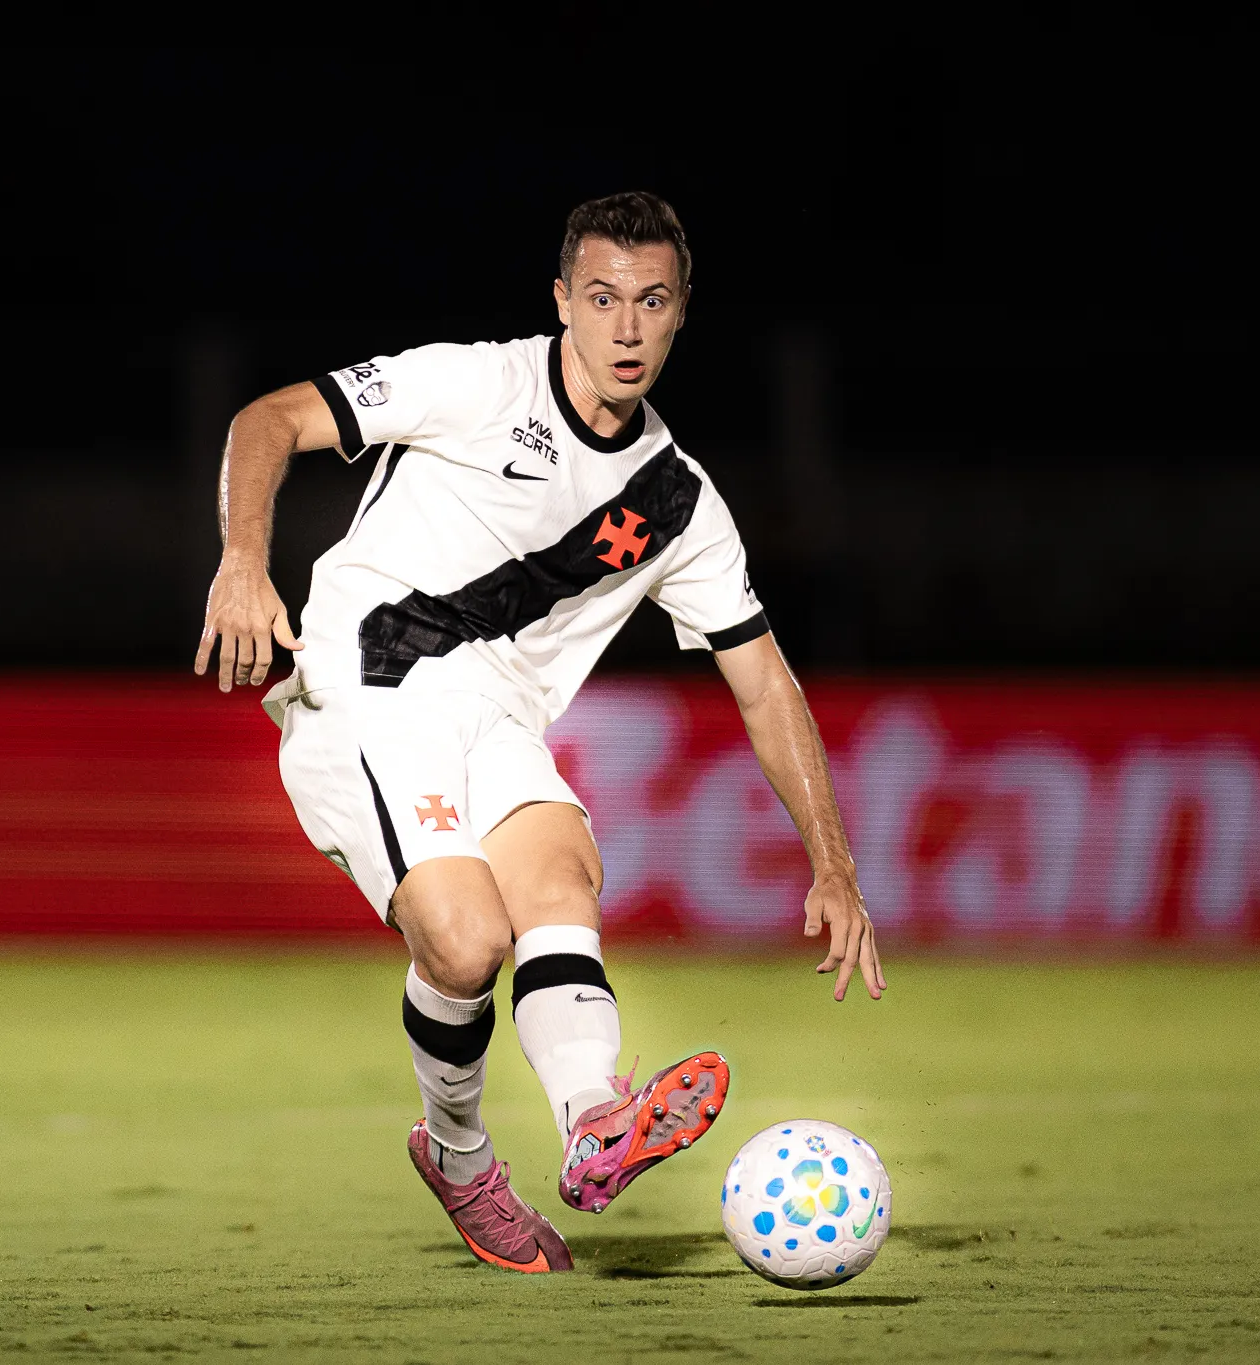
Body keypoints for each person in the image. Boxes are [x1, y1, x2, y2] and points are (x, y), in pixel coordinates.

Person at [194, 192, 884, 1272]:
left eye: (650, 302)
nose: (625, 327)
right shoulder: (476, 385)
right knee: (467, 941)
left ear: (680, 313)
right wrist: (243, 562)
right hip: (370, 678)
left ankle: (594, 1118)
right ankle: (459, 1154)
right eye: (602, 298)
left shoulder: (677, 503)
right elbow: (266, 419)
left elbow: (765, 685)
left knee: (561, 876)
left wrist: (833, 863)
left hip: (498, 714)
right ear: (561, 300)